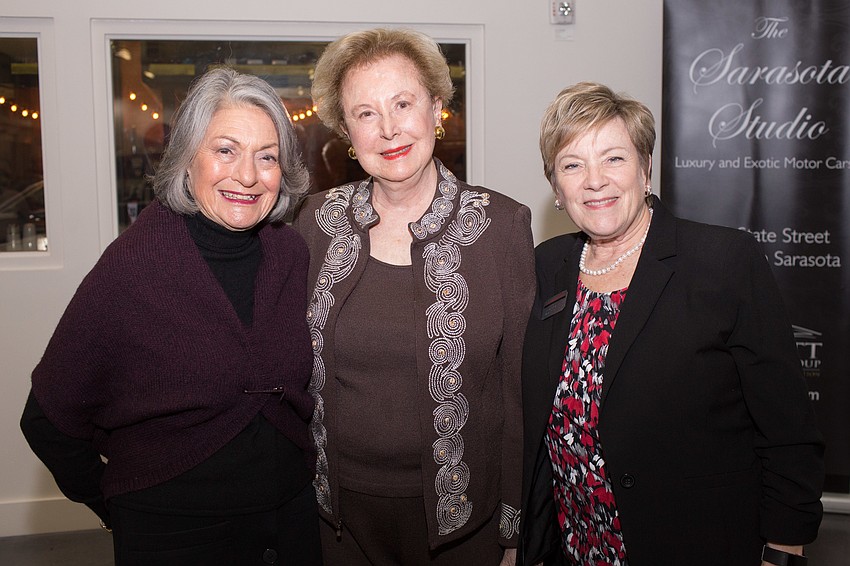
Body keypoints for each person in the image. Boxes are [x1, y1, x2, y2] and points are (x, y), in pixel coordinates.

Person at [20, 67, 322, 566]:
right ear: (186, 159)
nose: (247, 175)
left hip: (291, 521)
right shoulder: (134, 265)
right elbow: (46, 419)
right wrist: (117, 506)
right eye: (225, 150)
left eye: (267, 156)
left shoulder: (289, 253)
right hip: (176, 536)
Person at [519, 82, 824, 566]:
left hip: (699, 544)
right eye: (572, 165)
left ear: (645, 169)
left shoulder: (723, 262)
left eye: (614, 158)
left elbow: (788, 429)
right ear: (556, 188)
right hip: (577, 548)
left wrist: (783, 551)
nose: (595, 180)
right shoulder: (546, 266)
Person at [293, 27, 535, 566]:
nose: (389, 129)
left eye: (403, 104)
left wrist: (515, 530)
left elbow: (519, 389)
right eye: (366, 113)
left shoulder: (501, 226)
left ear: (437, 108)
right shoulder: (314, 221)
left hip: (465, 526)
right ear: (346, 132)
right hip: (337, 524)